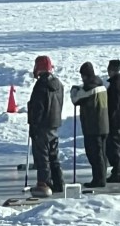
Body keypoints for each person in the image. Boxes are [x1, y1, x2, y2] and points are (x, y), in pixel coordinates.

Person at [27, 55, 64, 194]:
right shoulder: (58, 84)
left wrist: (34, 124)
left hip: (42, 126)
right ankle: (59, 183)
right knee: (54, 156)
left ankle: (44, 184)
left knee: (42, 157)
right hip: (54, 124)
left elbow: (38, 107)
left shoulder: (41, 85)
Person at [71, 62, 110, 188]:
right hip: (104, 125)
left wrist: (74, 90)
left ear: (85, 75)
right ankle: (101, 177)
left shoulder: (89, 88)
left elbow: (75, 100)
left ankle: (98, 180)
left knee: (94, 154)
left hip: (93, 126)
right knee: (101, 153)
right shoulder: (101, 85)